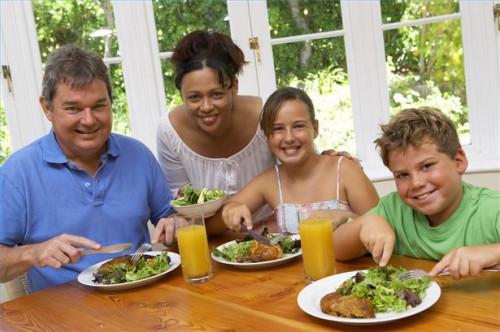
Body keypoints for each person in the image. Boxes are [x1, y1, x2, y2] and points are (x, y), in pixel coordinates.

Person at [0, 45, 176, 292]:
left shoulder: (138, 155)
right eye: (73, 108)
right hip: (60, 316)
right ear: (47, 108)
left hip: (143, 300)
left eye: (99, 106)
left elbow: (170, 217)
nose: (89, 119)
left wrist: (176, 224)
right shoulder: (17, 173)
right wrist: (35, 253)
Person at [334, 107, 500, 279]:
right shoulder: (393, 210)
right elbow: (335, 249)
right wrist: (365, 223)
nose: (416, 183)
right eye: (402, 175)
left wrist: (493, 252)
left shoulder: (492, 209)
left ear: (458, 161)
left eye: (427, 166)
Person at [155, 30, 274, 238]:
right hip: (211, 241)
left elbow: (298, 170)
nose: (206, 106)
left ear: (234, 87)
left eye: (216, 94)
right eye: (194, 97)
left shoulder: (266, 116)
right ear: (181, 94)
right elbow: (182, 204)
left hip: (275, 236)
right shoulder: (169, 131)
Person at [221, 87, 379, 233]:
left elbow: (383, 224)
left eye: (298, 126)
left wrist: (346, 216)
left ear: (315, 128)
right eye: (278, 129)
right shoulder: (268, 181)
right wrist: (232, 208)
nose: (289, 138)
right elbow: (227, 210)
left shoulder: (344, 169)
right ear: (267, 136)